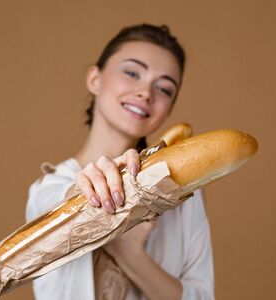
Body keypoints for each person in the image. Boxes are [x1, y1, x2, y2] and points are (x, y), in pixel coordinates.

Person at [26, 24, 214, 300]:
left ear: (169, 109)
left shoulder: (186, 194)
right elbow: (58, 202)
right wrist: (86, 193)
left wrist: (130, 254)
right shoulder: (48, 188)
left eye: (164, 88)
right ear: (95, 79)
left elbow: (201, 296)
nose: (146, 93)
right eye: (132, 72)